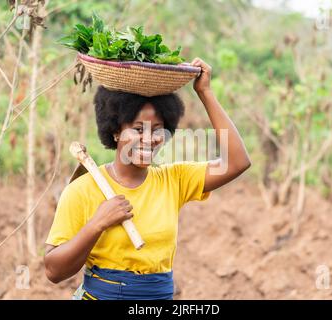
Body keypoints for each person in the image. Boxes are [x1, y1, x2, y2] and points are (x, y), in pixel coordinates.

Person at [44, 58, 251, 300]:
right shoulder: (83, 189)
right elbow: (53, 270)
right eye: (138, 129)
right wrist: (97, 224)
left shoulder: (174, 180)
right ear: (115, 130)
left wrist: (205, 92)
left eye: (157, 129)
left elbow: (238, 162)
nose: (150, 138)